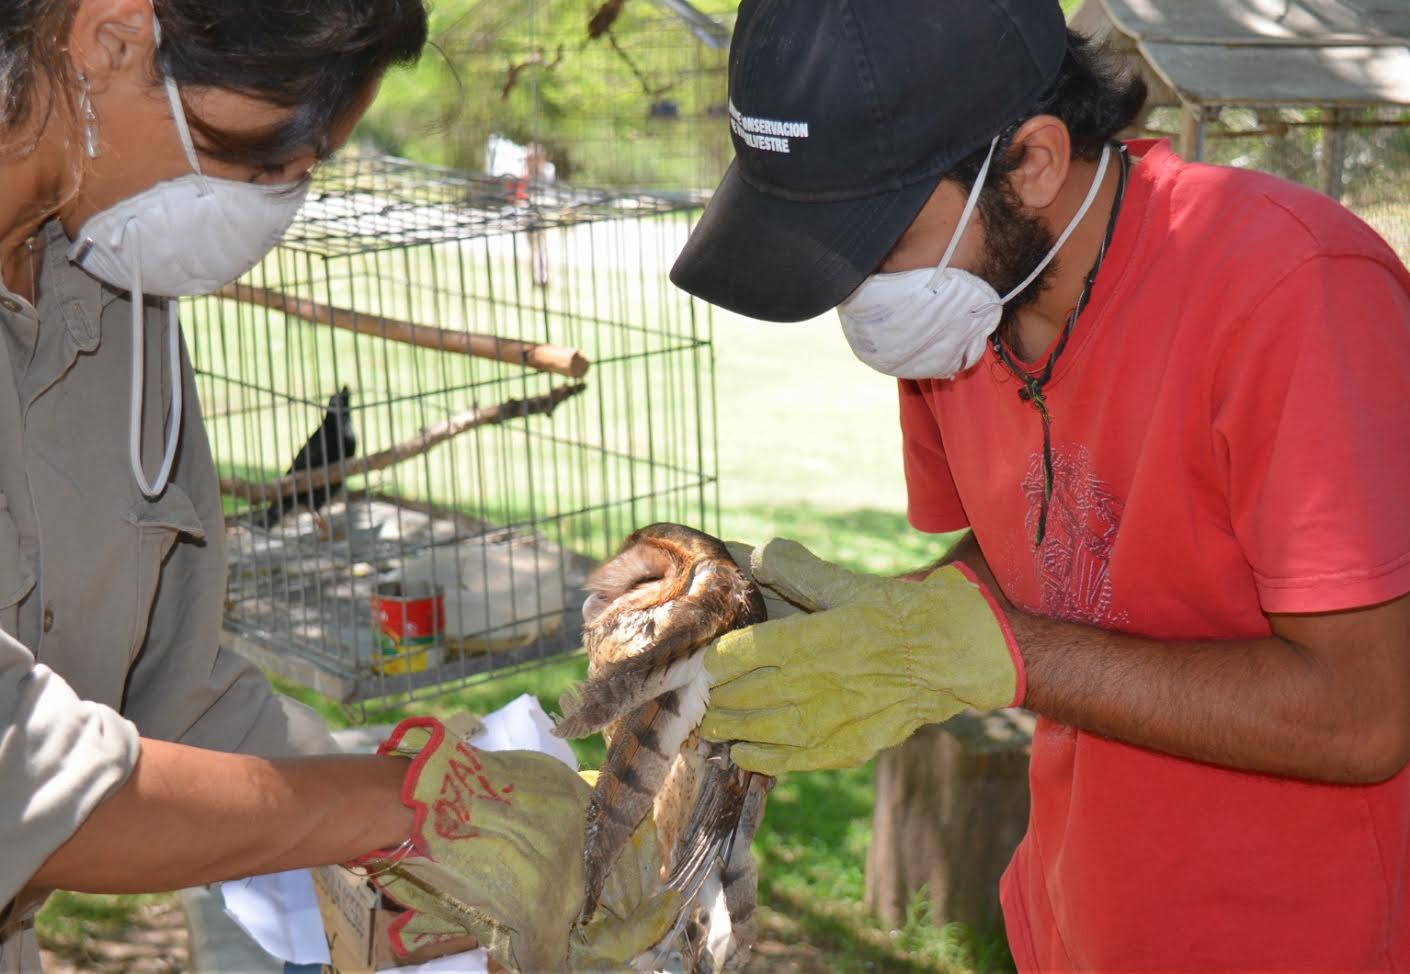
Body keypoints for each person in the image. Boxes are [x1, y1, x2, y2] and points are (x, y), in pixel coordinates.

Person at [672, 0, 1410, 970]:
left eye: (872, 237)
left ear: (1033, 162)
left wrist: (991, 653)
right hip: (1073, 920)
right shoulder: (961, 310)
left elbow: (1363, 713)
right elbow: (1031, 547)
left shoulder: (1290, 287)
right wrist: (888, 624)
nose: (854, 289)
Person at [0, 3, 668, 972]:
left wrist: (421, 777)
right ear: (111, 37)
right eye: (269, 153)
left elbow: (169, 697)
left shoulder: (108, 284)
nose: (274, 203)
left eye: (308, 171)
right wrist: (401, 807)